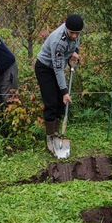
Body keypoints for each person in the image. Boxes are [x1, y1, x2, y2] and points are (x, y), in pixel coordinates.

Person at [35, 14, 83, 153]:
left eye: (77, 33)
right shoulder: (58, 41)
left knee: (62, 103)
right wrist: (64, 92)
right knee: (51, 102)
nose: (74, 36)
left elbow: (75, 45)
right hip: (45, 68)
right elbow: (58, 69)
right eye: (72, 33)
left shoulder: (77, 32)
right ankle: (51, 136)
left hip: (58, 67)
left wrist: (74, 53)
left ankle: (58, 133)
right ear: (66, 29)